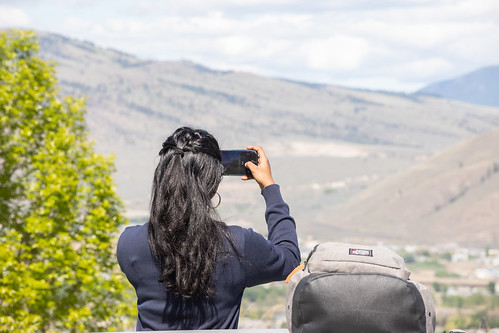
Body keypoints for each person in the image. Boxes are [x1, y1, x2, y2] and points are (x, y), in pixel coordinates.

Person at [116, 127, 300, 330]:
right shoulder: (239, 245)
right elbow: (290, 259)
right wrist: (269, 187)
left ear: (162, 178)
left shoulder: (129, 244)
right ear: (213, 185)